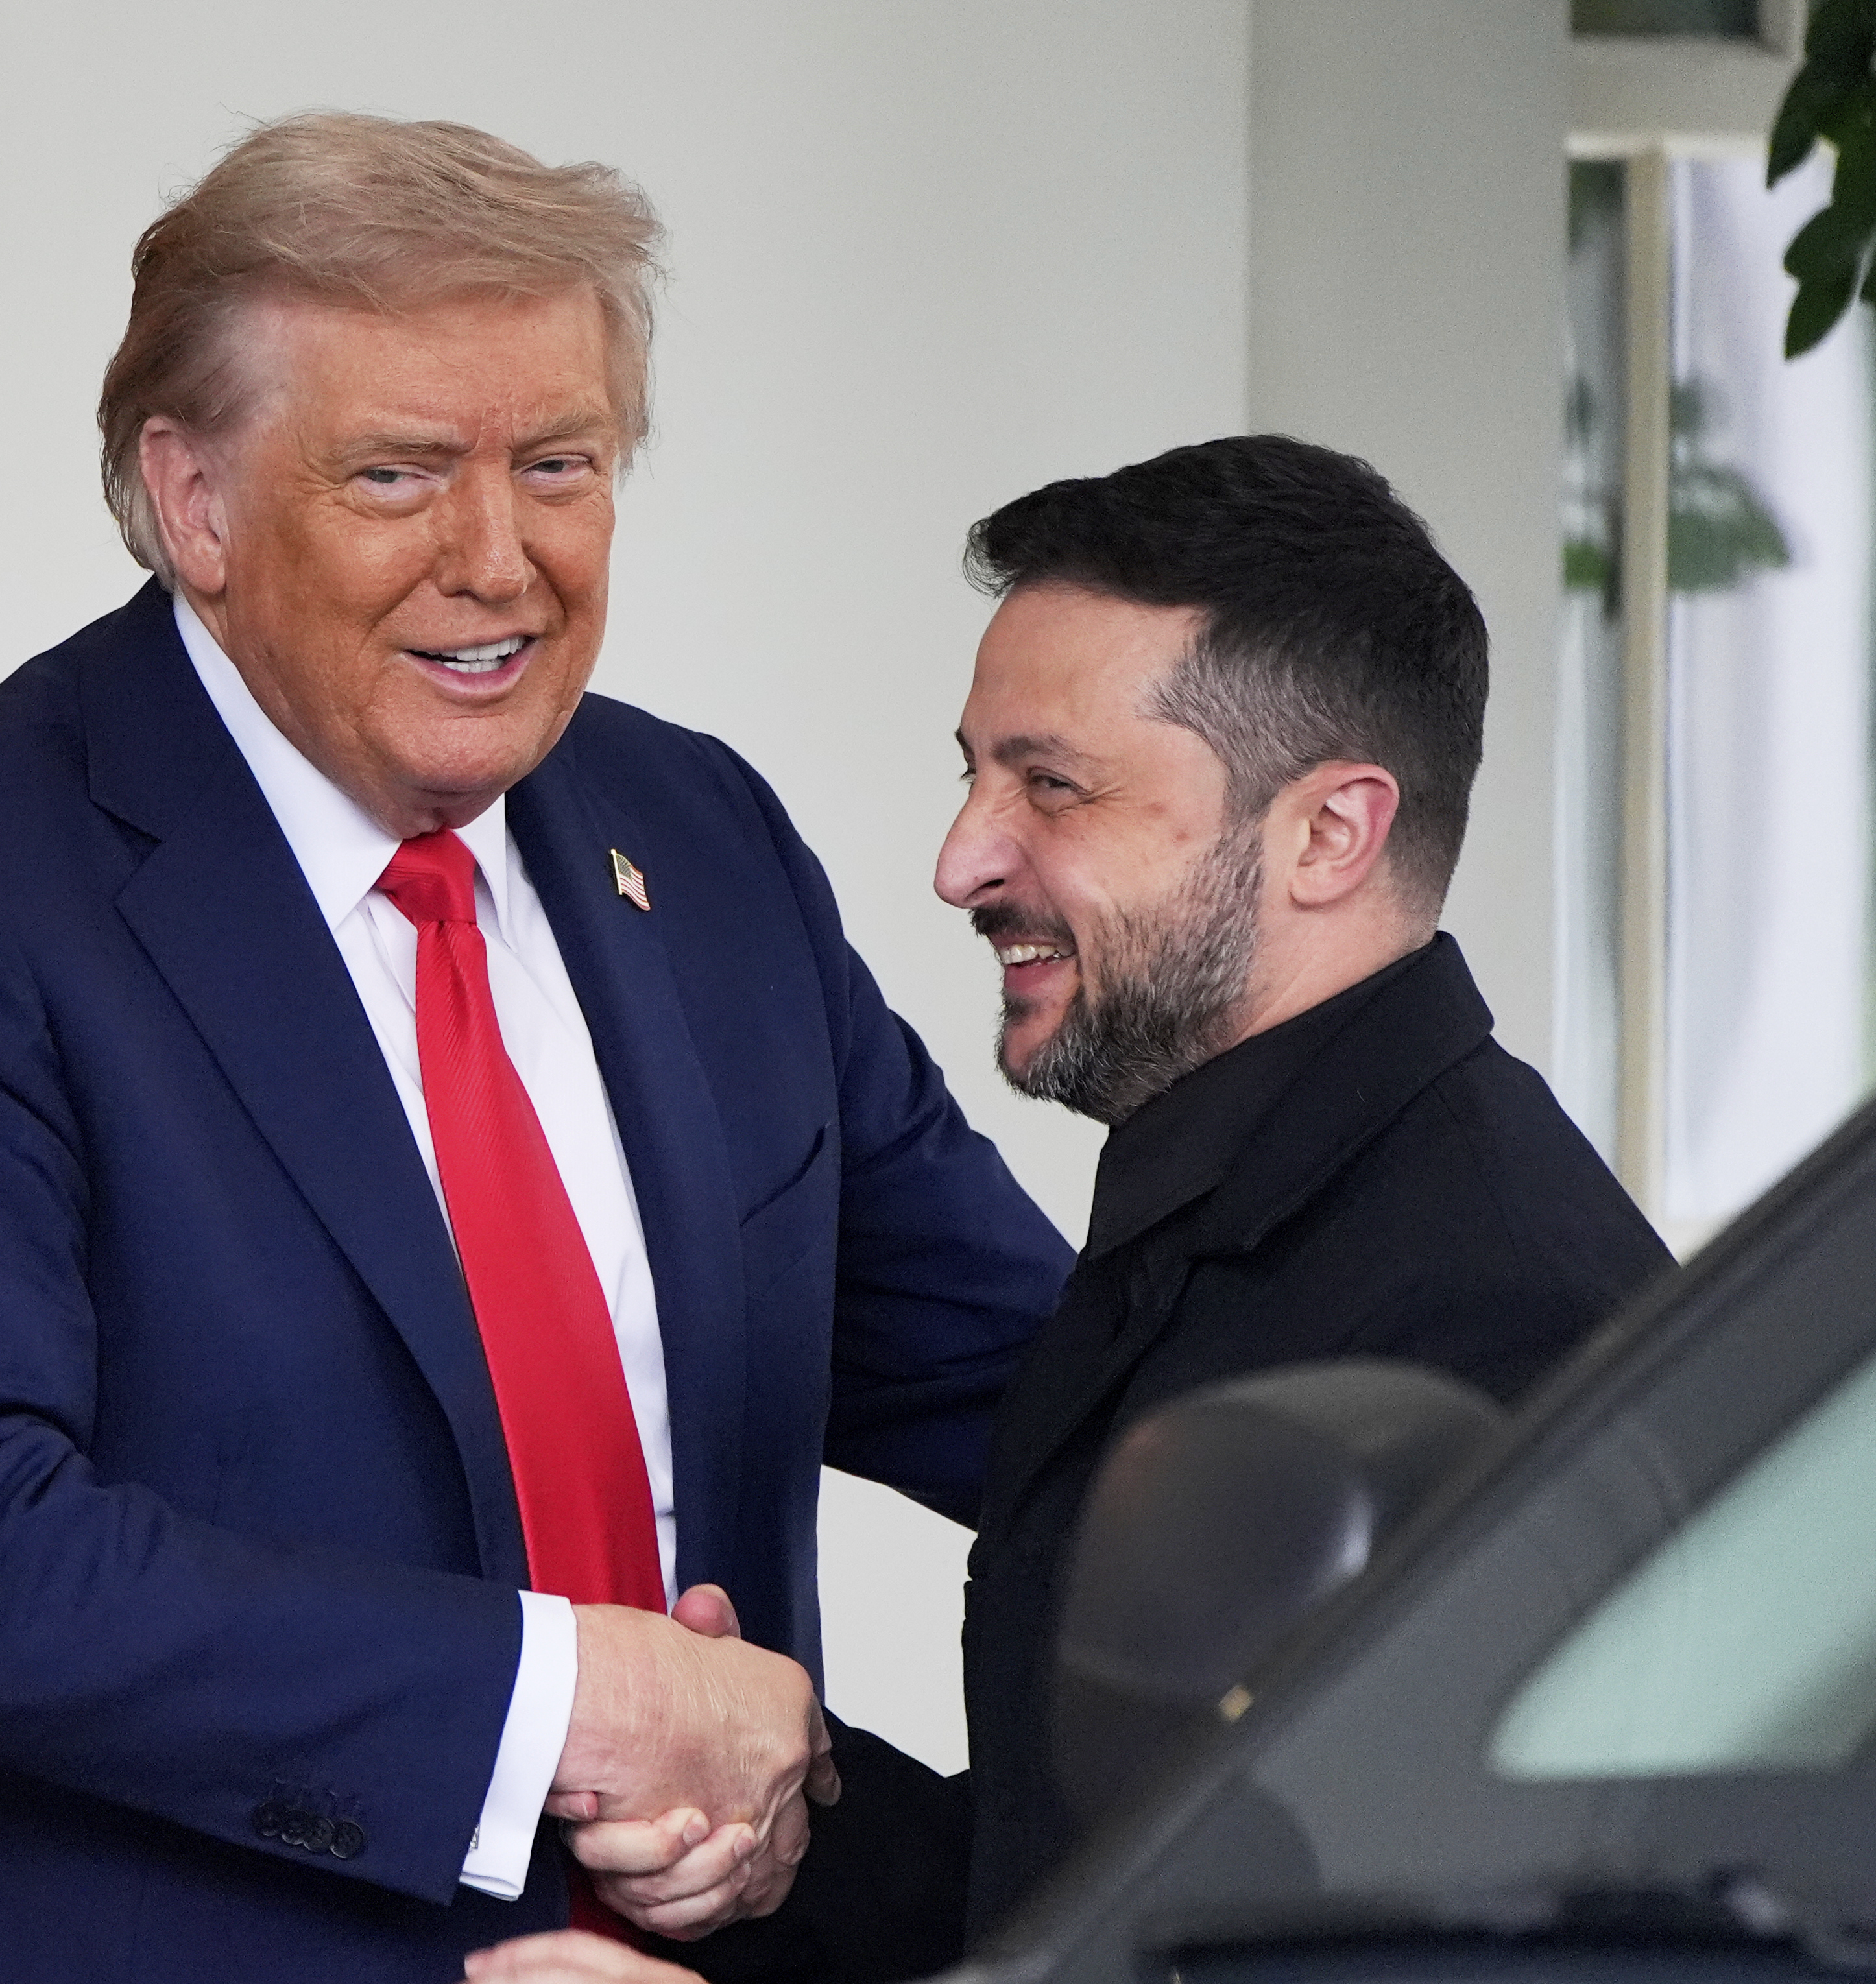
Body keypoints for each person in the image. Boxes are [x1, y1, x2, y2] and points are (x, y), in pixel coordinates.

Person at [0, 114, 1070, 1984]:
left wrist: (1453, 1437)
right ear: (195, 500)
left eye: (558, 464)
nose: (499, 558)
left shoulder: (698, 845)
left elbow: (1032, 1386)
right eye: (396, 474)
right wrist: (566, 1695)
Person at [492, 435, 1672, 1984]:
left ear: (1331, 831)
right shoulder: (1255, 1209)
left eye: (1051, 785)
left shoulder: (1489, 1320)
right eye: (973, 773)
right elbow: (1109, 1879)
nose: (960, 859)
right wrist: (782, 1812)